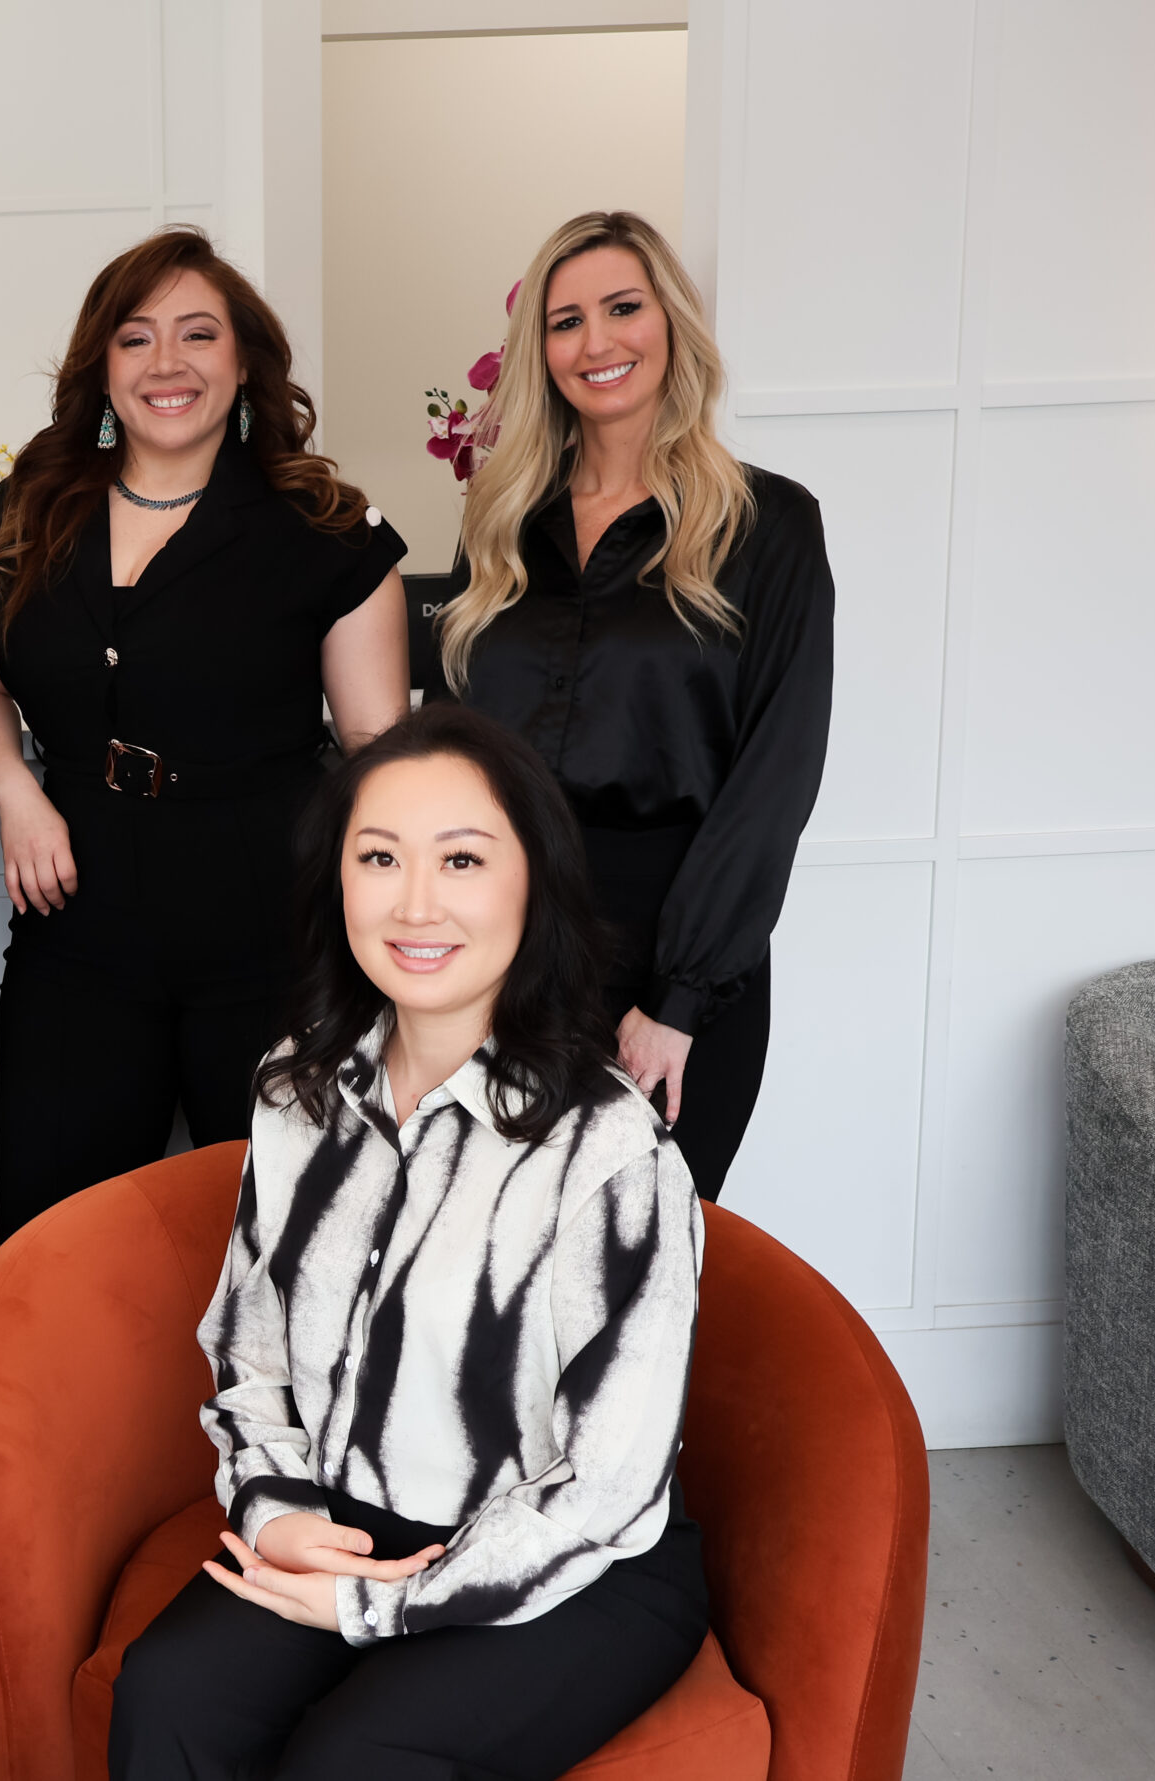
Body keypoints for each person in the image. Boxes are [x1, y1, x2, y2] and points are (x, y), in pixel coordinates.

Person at [110, 704, 706, 1780]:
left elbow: (606, 1486)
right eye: (378, 856)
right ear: (336, 879)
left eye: (463, 858)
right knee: (170, 1695)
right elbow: (250, 1352)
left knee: (358, 1757)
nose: (416, 901)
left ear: (535, 882)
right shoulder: (297, 1091)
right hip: (349, 1512)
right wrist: (275, 1504)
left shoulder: (610, 1152)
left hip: (574, 1559)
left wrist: (383, 1603)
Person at [0, 227, 410, 1239]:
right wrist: (16, 792)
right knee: (57, 1236)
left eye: (198, 335)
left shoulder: (325, 530)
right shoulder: (22, 516)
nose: (167, 364)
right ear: (100, 368)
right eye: (136, 338)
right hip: (78, 925)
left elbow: (381, 750)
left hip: (268, 927)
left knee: (287, 1239)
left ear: (243, 361)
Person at [443, 210, 835, 1201]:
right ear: (539, 350)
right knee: (490, 1270)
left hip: (673, 952)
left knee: (640, 1275)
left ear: (673, 325)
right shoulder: (497, 525)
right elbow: (447, 760)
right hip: (500, 953)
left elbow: (773, 779)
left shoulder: (768, 524)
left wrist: (679, 998)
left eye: (623, 307)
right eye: (564, 320)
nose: (597, 341)